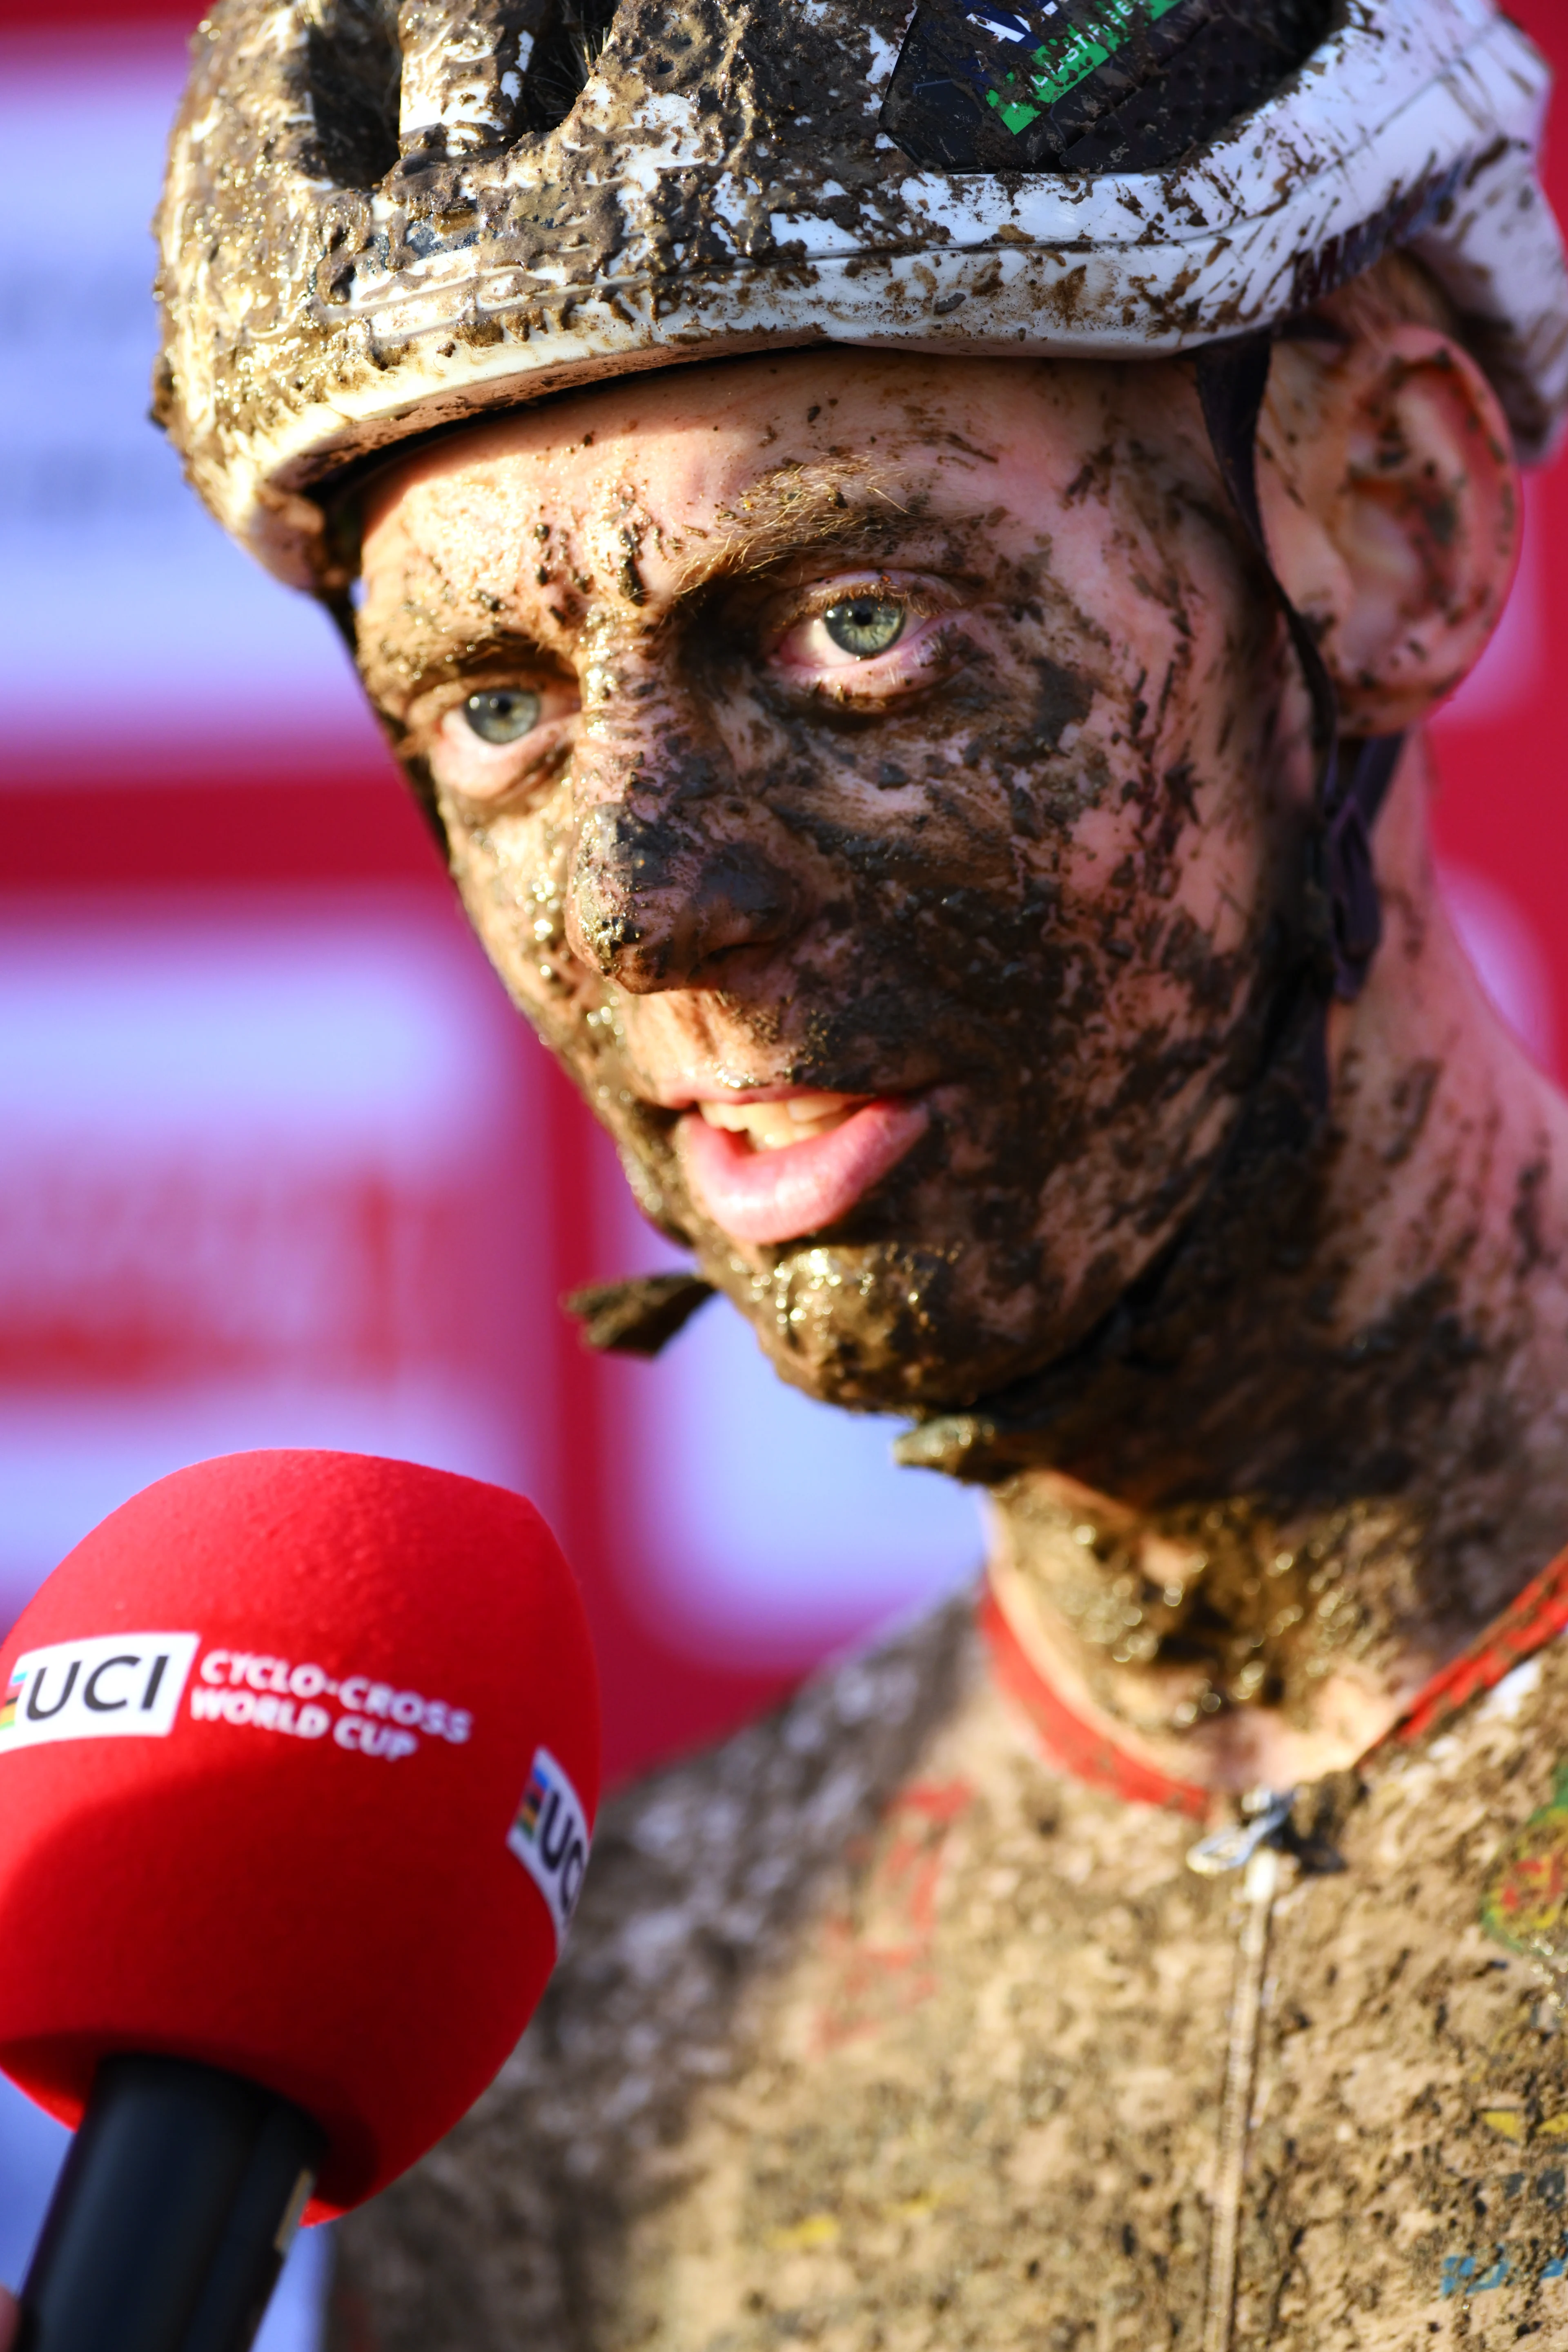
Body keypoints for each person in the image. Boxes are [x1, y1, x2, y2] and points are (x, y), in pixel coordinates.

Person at [108, 0, 1568, 2342]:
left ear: (1395, 524)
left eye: (854, 626)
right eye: (497, 708)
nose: (634, 901)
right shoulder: (585, 2071)